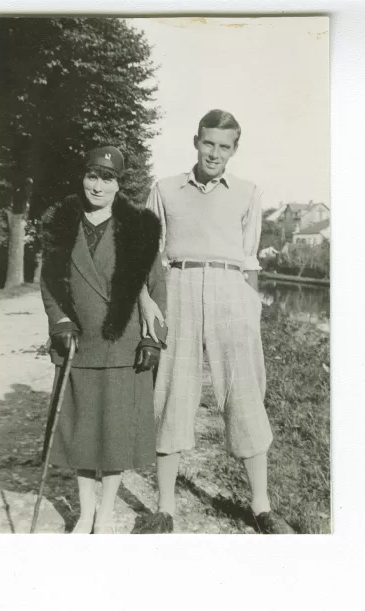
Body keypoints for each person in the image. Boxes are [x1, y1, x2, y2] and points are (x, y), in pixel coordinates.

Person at [138, 110, 294, 534]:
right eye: (209, 143)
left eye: (224, 147)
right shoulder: (165, 188)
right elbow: (144, 250)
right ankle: (164, 508)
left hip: (231, 292)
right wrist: (147, 302)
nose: (215, 153)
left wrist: (252, 304)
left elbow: (249, 257)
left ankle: (261, 507)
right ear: (196, 141)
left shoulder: (247, 192)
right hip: (179, 286)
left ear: (234, 150)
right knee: (171, 391)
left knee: (244, 393)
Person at [40, 146, 167, 534]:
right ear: (83, 178)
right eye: (92, 175)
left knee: (114, 432)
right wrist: (60, 321)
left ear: (118, 184)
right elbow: (49, 282)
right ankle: (85, 510)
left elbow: (157, 287)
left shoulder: (140, 227)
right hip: (79, 343)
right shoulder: (63, 223)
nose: (98, 185)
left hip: (122, 343)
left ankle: (106, 511)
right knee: (82, 430)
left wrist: (153, 340)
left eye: (107, 178)